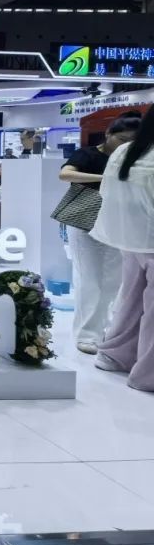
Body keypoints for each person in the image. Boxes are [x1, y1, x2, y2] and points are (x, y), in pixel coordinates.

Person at [60, 116, 141, 353]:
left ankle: (103, 331)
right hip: (84, 214)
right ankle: (86, 334)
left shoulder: (135, 159)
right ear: (108, 134)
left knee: (113, 282)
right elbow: (66, 174)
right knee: (90, 279)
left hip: (118, 218)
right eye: (122, 139)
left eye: (132, 141)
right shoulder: (87, 154)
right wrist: (107, 179)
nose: (126, 145)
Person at [90, 108, 154, 391]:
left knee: (130, 300)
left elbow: (109, 195)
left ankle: (114, 355)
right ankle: (147, 374)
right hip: (148, 240)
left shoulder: (126, 151)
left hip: (131, 240)